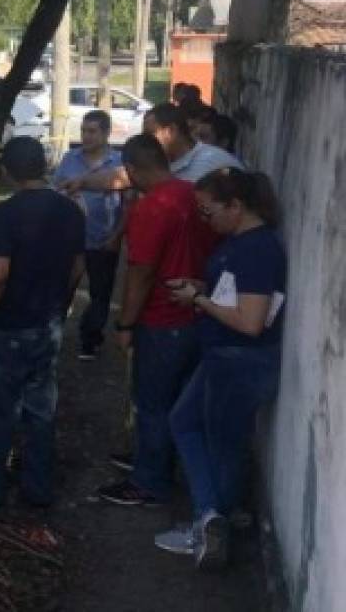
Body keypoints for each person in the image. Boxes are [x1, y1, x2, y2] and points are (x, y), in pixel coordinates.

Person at [153, 169, 285, 570]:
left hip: (239, 360)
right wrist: (202, 288)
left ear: (236, 206)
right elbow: (236, 294)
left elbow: (250, 321)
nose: (204, 219)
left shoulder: (257, 249)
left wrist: (199, 300)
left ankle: (212, 526)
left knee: (224, 446)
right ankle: (210, 515)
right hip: (223, 356)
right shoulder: (240, 244)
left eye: (209, 212)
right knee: (184, 422)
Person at [0, 137, 86, 509]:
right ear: (44, 165)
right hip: (48, 323)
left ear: (7, 171)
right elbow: (79, 265)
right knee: (40, 408)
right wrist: (60, 302)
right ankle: (37, 488)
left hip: (10, 325)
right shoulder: (70, 211)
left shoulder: (4, 214)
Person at [97, 134, 215, 507]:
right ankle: (157, 460)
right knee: (177, 401)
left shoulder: (151, 208)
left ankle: (150, 482)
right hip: (198, 311)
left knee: (152, 402)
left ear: (131, 170)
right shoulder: (192, 194)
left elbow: (141, 274)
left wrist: (125, 324)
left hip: (163, 319)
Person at [52, 110, 123, 359]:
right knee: (64, 286)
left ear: (106, 133)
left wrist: (117, 235)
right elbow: (56, 191)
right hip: (69, 240)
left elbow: (128, 204)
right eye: (83, 130)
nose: (86, 136)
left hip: (103, 238)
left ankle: (90, 338)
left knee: (100, 292)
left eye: (92, 131)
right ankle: (54, 333)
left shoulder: (118, 163)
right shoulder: (70, 159)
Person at [64, 102, 241, 194]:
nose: (145, 139)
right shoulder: (157, 162)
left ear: (171, 131)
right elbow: (119, 177)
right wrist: (82, 182)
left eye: (150, 133)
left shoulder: (215, 162)